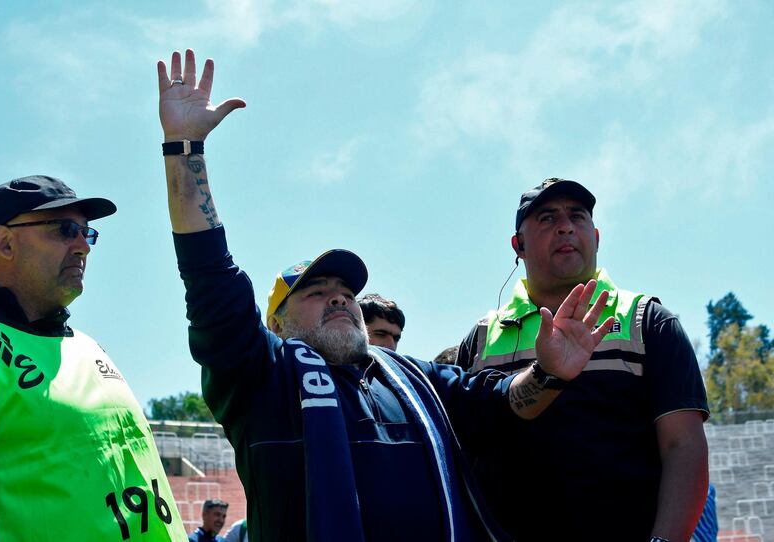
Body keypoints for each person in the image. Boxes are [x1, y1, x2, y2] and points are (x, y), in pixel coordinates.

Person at [157, 49, 617, 541]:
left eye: (345, 291)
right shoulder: (260, 378)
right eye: (316, 291)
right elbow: (210, 278)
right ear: (276, 324)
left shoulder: (418, 381)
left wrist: (548, 373)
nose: (338, 298)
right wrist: (185, 147)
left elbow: (503, 404)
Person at [456, 178, 710, 542]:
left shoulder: (648, 321)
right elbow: (464, 453)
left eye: (577, 216)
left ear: (596, 236)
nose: (565, 226)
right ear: (518, 245)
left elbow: (682, 445)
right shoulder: (481, 338)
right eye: (546, 218)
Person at [0, 175, 185, 541]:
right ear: (5, 243)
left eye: (86, 234)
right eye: (64, 229)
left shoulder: (89, 347)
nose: (82, 247)